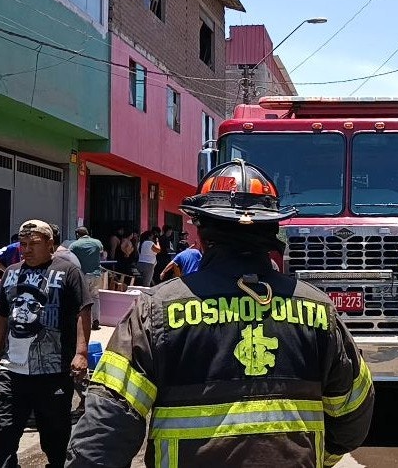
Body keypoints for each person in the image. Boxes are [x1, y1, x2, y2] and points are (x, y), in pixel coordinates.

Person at [66, 160, 374, 467]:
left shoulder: (156, 310)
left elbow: (107, 425)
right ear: (272, 230)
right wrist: (320, 457)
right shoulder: (319, 311)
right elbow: (353, 411)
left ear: (201, 233)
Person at [0, 220, 91, 468]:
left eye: (33, 244)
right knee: (1, 440)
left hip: (53, 375)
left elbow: (82, 312)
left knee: (56, 443)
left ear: (50, 244)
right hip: (11, 373)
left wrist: (81, 353)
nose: (26, 250)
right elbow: (1, 316)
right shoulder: (11, 272)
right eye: (23, 244)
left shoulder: (68, 272)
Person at [70, 227, 105, 331]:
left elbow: (69, 257)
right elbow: (102, 254)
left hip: (82, 275)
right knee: (95, 298)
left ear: (77, 235)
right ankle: (96, 320)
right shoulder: (97, 242)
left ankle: (83, 322)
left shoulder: (74, 245)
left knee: (82, 300)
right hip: (97, 275)